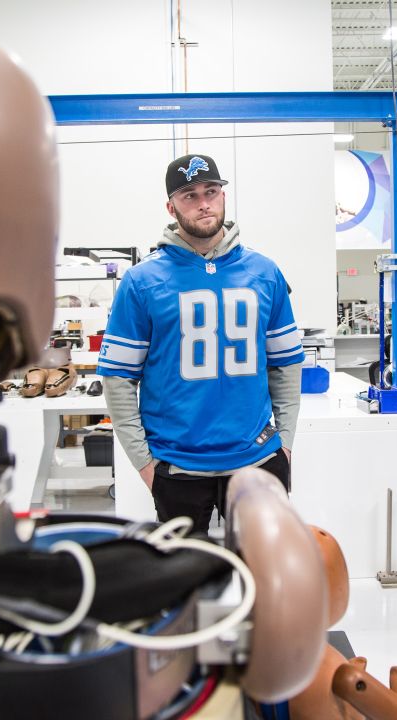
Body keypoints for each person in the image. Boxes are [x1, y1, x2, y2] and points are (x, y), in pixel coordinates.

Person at [98, 154, 304, 534]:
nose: (204, 202)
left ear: (224, 196)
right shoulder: (141, 281)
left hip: (257, 459)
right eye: (189, 195)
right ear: (171, 206)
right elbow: (118, 379)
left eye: (211, 191)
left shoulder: (265, 272)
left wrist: (285, 444)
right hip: (176, 465)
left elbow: (285, 364)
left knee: (263, 580)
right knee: (188, 582)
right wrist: (145, 464)